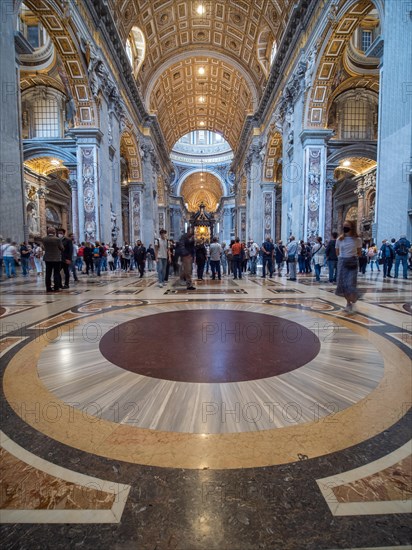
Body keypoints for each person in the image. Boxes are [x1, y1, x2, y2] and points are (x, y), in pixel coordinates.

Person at [335, 220, 362, 314]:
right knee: (342, 285)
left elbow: (359, 252)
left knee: (350, 284)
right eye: (344, 226)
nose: (345, 228)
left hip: (353, 262)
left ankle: (354, 297)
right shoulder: (339, 239)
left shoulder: (357, 240)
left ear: (352, 227)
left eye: (347, 226)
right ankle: (348, 303)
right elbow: (337, 252)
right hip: (342, 262)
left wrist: (352, 256)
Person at [42, 227, 64, 292]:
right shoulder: (57, 239)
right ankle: (56, 287)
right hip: (56, 258)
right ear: (54, 232)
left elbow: (43, 247)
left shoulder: (44, 239)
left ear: (47, 232)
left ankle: (48, 288)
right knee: (56, 273)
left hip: (47, 258)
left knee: (48, 273)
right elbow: (62, 248)